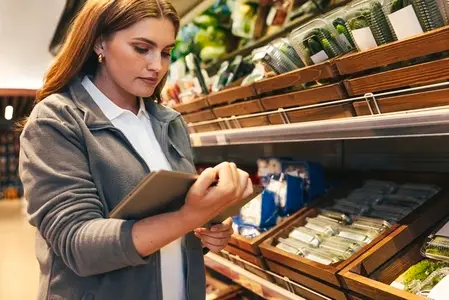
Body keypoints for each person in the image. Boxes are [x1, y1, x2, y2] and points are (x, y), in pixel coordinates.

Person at [18, 0, 253, 299]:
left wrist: (204, 232)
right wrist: (189, 217)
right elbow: (77, 245)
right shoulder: (57, 120)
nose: (157, 66)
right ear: (99, 43)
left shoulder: (168, 122)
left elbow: (166, 226)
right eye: (142, 48)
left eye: (166, 52)